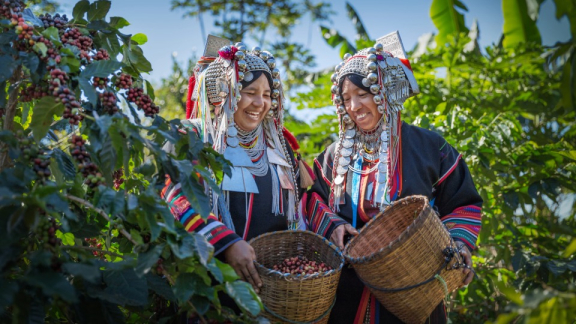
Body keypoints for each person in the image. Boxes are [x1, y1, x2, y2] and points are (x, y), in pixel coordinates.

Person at [302, 43, 483, 323]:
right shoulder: (333, 156)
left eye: (362, 95)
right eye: (346, 99)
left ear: (383, 93)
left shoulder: (430, 147)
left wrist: (458, 244)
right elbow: (312, 197)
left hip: (415, 283)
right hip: (350, 287)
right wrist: (334, 225)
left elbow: (463, 202)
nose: (354, 107)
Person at [161, 37, 312, 296]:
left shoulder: (280, 147)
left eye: (266, 95)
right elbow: (172, 193)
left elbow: (304, 202)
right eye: (250, 92)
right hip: (211, 285)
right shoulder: (190, 137)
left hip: (275, 289)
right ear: (223, 93)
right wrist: (226, 243)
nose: (259, 103)